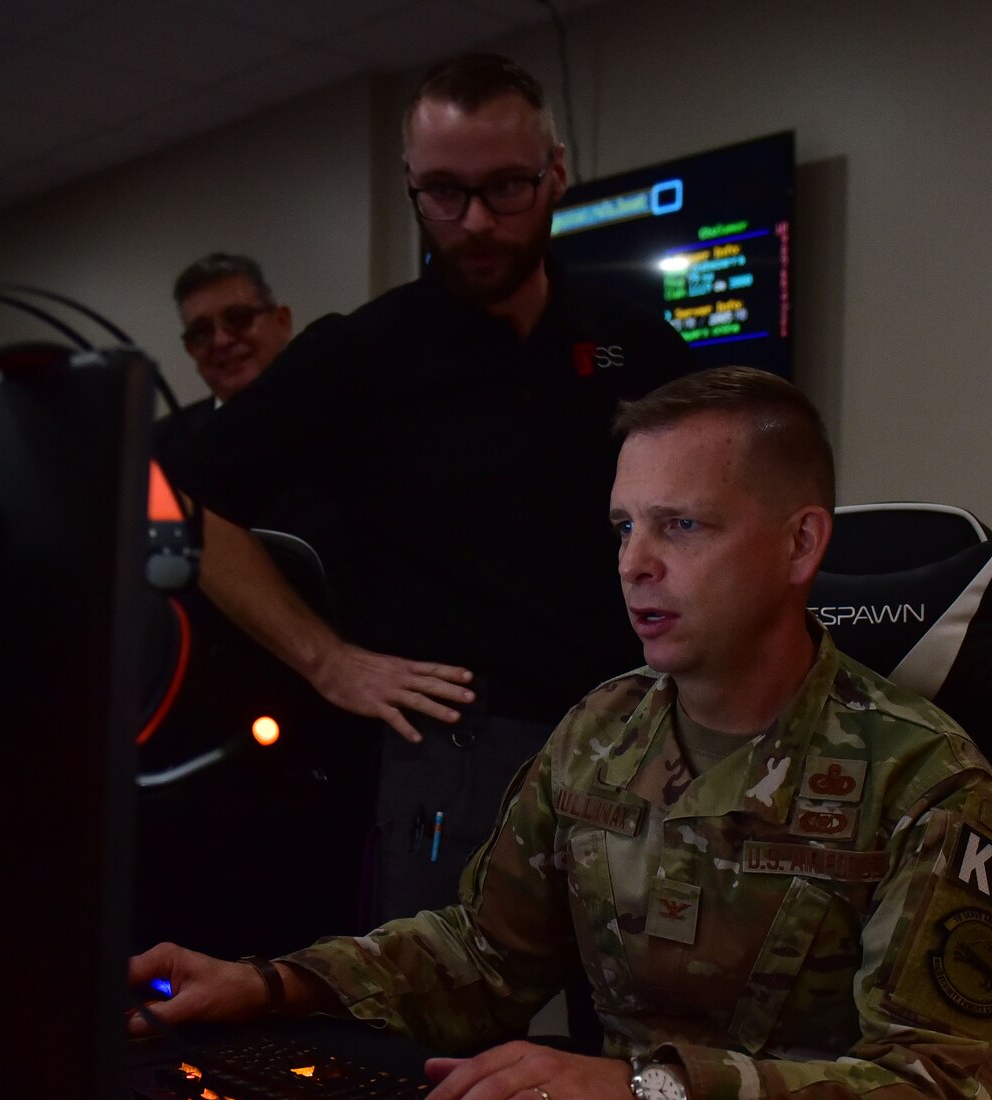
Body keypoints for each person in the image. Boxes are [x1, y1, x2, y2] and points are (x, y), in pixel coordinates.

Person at [130, 367, 992, 1100]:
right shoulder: (601, 732)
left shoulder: (923, 776)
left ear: (801, 547)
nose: (633, 565)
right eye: (623, 527)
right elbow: (482, 959)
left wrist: (653, 1094)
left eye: (680, 526)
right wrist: (270, 984)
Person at [185, 54, 694, 923]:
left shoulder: (630, 341)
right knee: (445, 1047)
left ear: (556, 174)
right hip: (458, 758)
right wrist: (328, 660)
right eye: (444, 195)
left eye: (506, 189)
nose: (477, 223)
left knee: (634, 1031)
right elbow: (180, 506)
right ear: (411, 187)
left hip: (641, 737)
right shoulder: (364, 353)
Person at [153, 253, 294, 495]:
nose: (220, 340)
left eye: (238, 318)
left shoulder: (344, 417)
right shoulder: (157, 447)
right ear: (190, 349)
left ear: (282, 322)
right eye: (201, 331)